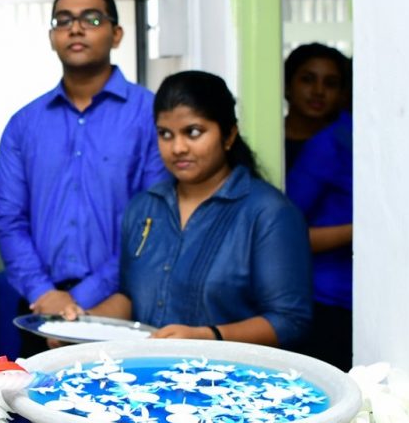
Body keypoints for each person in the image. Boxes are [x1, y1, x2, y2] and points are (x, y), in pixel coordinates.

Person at [0, 0, 166, 353]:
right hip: (40, 308)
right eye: (64, 20)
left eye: (92, 19)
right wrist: (43, 293)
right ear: (52, 37)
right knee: (36, 392)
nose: (75, 28)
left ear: (117, 34)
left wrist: (80, 299)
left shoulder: (151, 116)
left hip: (122, 305)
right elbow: (10, 220)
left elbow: (153, 224)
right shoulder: (24, 124)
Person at [90, 71, 311, 348]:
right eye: (165, 134)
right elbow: (130, 298)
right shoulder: (144, 207)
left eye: (193, 132)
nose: (177, 148)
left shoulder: (269, 213)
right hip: (147, 369)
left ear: (229, 135)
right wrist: (85, 323)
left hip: (228, 373)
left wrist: (207, 336)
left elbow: (290, 321)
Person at [288, 106, 353, 370]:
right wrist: (361, 231)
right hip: (327, 297)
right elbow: (288, 235)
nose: (318, 91)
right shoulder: (332, 143)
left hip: (372, 296)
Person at [283, 42, 349, 172]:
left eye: (330, 83)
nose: (319, 91)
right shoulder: (265, 137)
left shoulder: (346, 143)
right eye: (307, 80)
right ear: (287, 86)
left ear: (341, 94)